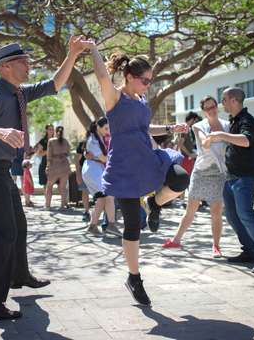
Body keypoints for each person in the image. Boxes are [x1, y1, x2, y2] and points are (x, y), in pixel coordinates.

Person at [0, 37, 90, 320]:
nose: (29, 65)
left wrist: (71, 53)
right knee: (6, 232)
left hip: (0, 172)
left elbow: (54, 84)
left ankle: (18, 276)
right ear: (6, 67)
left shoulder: (19, 93)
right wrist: (0, 133)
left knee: (18, 226)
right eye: (23, 61)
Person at [84, 43, 189, 306]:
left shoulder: (141, 99)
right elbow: (101, 76)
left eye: (150, 81)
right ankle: (134, 278)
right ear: (129, 77)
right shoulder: (114, 98)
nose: (148, 86)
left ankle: (154, 202)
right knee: (132, 225)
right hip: (123, 167)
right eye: (145, 80)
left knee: (179, 178)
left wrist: (169, 127)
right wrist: (93, 50)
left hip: (147, 157)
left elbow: (142, 128)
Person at [208, 87, 254, 274]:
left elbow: (246, 140)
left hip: (244, 177)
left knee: (246, 215)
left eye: (224, 99)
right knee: (232, 216)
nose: (222, 103)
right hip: (231, 177)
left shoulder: (247, 120)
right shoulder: (235, 119)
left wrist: (221, 135)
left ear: (234, 100)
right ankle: (250, 251)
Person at [162, 96, 229, 258]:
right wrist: (217, 136)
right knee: (190, 209)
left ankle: (216, 246)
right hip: (201, 171)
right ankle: (176, 240)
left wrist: (217, 135)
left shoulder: (227, 125)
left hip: (219, 172)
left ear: (216, 107)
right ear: (204, 111)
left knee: (216, 212)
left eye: (213, 106)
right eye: (207, 108)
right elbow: (205, 143)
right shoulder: (199, 126)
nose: (211, 110)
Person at [81, 117, 121, 237]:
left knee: (101, 199)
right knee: (109, 195)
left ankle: (93, 226)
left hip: (95, 169)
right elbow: (103, 158)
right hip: (93, 170)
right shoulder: (93, 140)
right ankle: (111, 225)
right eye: (106, 128)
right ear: (98, 127)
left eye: (109, 128)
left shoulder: (100, 138)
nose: (108, 131)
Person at [44, 126, 71, 209]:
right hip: (64, 166)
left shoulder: (51, 141)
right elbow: (68, 152)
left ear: (55, 132)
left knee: (49, 186)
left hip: (54, 166)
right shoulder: (66, 141)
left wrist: (47, 166)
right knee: (63, 187)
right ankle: (63, 206)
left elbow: (49, 155)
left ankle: (47, 206)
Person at [74, 139, 92, 222]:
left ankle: (105, 216)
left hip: (98, 168)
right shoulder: (83, 143)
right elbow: (77, 160)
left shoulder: (102, 141)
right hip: (84, 169)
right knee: (85, 191)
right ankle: (86, 211)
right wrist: (78, 174)